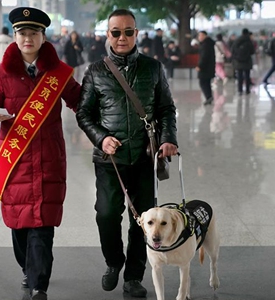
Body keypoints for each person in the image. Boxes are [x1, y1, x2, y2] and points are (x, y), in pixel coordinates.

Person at [0, 7, 81, 300]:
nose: (28, 38)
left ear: (43, 36)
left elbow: (79, 100)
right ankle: (28, 269)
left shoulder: (57, 72)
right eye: (22, 33)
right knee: (20, 226)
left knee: (43, 227)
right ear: (15, 36)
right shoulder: (1, 73)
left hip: (49, 159)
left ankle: (39, 285)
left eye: (34, 33)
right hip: (15, 162)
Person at [76, 8, 177, 297]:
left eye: (128, 32)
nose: (122, 38)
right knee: (106, 214)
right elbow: (84, 113)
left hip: (145, 157)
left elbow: (166, 109)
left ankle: (134, 276)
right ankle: (113, 262)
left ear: (136, 33)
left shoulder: (153, 67)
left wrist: (168, 138)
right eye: (116, 32)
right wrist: (101, 138)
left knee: (143, 221)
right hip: (110, 161)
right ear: (108, 35)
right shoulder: (96, 71)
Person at [231, 28, 255, 95]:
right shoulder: (249, 41)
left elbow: (232, 50)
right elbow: (252, 51)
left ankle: (240, 90)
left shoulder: (237, 40)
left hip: (238, 61)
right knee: (247, 76)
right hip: (247, 61)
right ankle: (247, 90)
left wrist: (236, 57)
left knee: (240, 76)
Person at [196, 30, 216, 105]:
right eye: (199, 36)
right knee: (207, 82)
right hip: (209, 67)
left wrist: (200, 66)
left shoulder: (205, 45)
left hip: (205, 68)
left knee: (203, 82)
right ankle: (209, 97)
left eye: (201, 35)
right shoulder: (209, 44)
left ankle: (208, 96)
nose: (199, 37)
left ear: (205, 36)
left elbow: (204, 57)